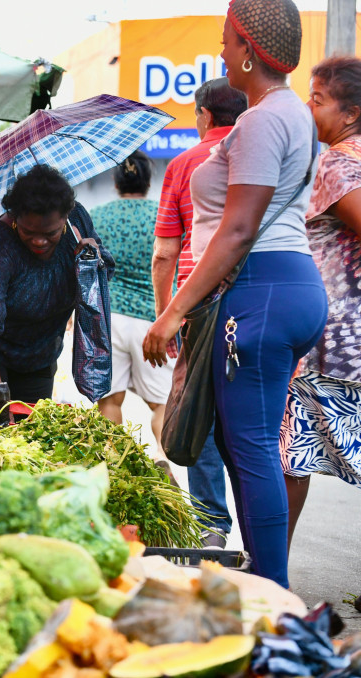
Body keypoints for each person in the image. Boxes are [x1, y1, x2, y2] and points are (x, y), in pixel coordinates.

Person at [142, 0, 327, 588]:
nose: (220, 52)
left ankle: (272, 589)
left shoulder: (263, 120)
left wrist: (173, 313)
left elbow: (240, 229)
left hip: (260, 288)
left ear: (248, 50)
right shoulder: (287, 114)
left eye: (226, 40)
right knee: (241, 439)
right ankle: (262, 575)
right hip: (282, 286)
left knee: (249, 446)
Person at [152, 78, 248, 548]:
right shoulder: (262, 158)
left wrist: (167, 315)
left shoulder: (186, 163)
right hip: (256, 298)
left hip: (200, 303)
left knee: (198, 411)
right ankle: (258, 527)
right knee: (248, 416)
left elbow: (166, 253)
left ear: (205, 115)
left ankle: (211, 524)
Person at [0, 164, 112, 404]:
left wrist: (91, 259)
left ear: (66, 217)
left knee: (32, 421)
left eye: (51, 232)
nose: (39, 241)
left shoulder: (77, 222)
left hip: (40, 341)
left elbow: (102, 279)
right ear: (14, 218)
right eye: (28, 231)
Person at [281, 56, 361, 548]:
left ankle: (270, 565)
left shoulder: (338, 160)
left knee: (291, 457)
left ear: (350, 112)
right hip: (340, 344)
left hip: (336, 345)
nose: (309, 110)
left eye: (318, 100)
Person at [93, 152, 171, 453]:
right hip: (152, 320)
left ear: (116, 182)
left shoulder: (97, 217)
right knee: (162, 403)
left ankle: (116, 471)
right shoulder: (161, 214)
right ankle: (168, 469)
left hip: (107, 319)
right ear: (148, 182)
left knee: (109, 401)